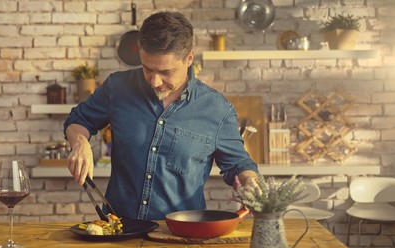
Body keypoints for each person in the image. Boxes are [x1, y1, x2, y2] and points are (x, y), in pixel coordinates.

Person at [64, 11, 259, 220]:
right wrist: (80, 141)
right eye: (147, 69)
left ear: (189, 59)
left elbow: (239, 165)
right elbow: (78, 120)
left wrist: (250, 183)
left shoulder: (217, 109)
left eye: (166, 72)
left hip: (182, 235)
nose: (154, 81)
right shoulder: (117, 87)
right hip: (119, 231)